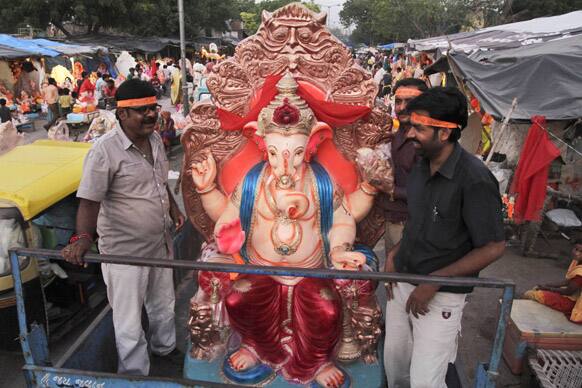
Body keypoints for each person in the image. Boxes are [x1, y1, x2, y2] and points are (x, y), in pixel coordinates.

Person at [61, 79, 185, 376]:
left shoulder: (155, 140)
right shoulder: (104, 151)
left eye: (153, 108)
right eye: (141, 111)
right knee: (128, 323)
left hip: (159, 243)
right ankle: (135, 374)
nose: (151, 115)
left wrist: (173, 206)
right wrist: (82, 239)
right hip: (124, 253)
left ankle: (165, 350)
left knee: (163, 304)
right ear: (122, 115)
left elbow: (158, 182)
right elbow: (89, 202)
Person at [383, 87, 505, 388]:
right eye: (409, 125)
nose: (409, 135)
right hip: (403, 280)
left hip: (441, 296)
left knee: (426, 379)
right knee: (395, 364)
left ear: (445, 133)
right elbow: (420, 220)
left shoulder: (475, 179)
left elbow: (494, 246)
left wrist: (435, 280)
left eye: (419, 128)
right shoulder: (421, 167)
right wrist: (394, 254)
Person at [381, 79, 427, 255]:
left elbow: (430, 192)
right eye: (398, 101)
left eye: (410, 102)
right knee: (393, 280)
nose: (401, 108)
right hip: (392, 221)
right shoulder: (396, 135)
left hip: (414, 225)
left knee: (408, 280)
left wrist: (392, 190)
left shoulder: (427, 142)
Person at [525, 243, 582, 323]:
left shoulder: (580, 272)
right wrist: (547, 285)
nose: (577, 253)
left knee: (530, 294)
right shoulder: (576, 262)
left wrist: (548, 289)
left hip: (573, 304)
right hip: (572, 296)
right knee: (536, 288)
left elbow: (569, 291)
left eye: (581, 251)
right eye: (576, 249)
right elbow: (567, 282)